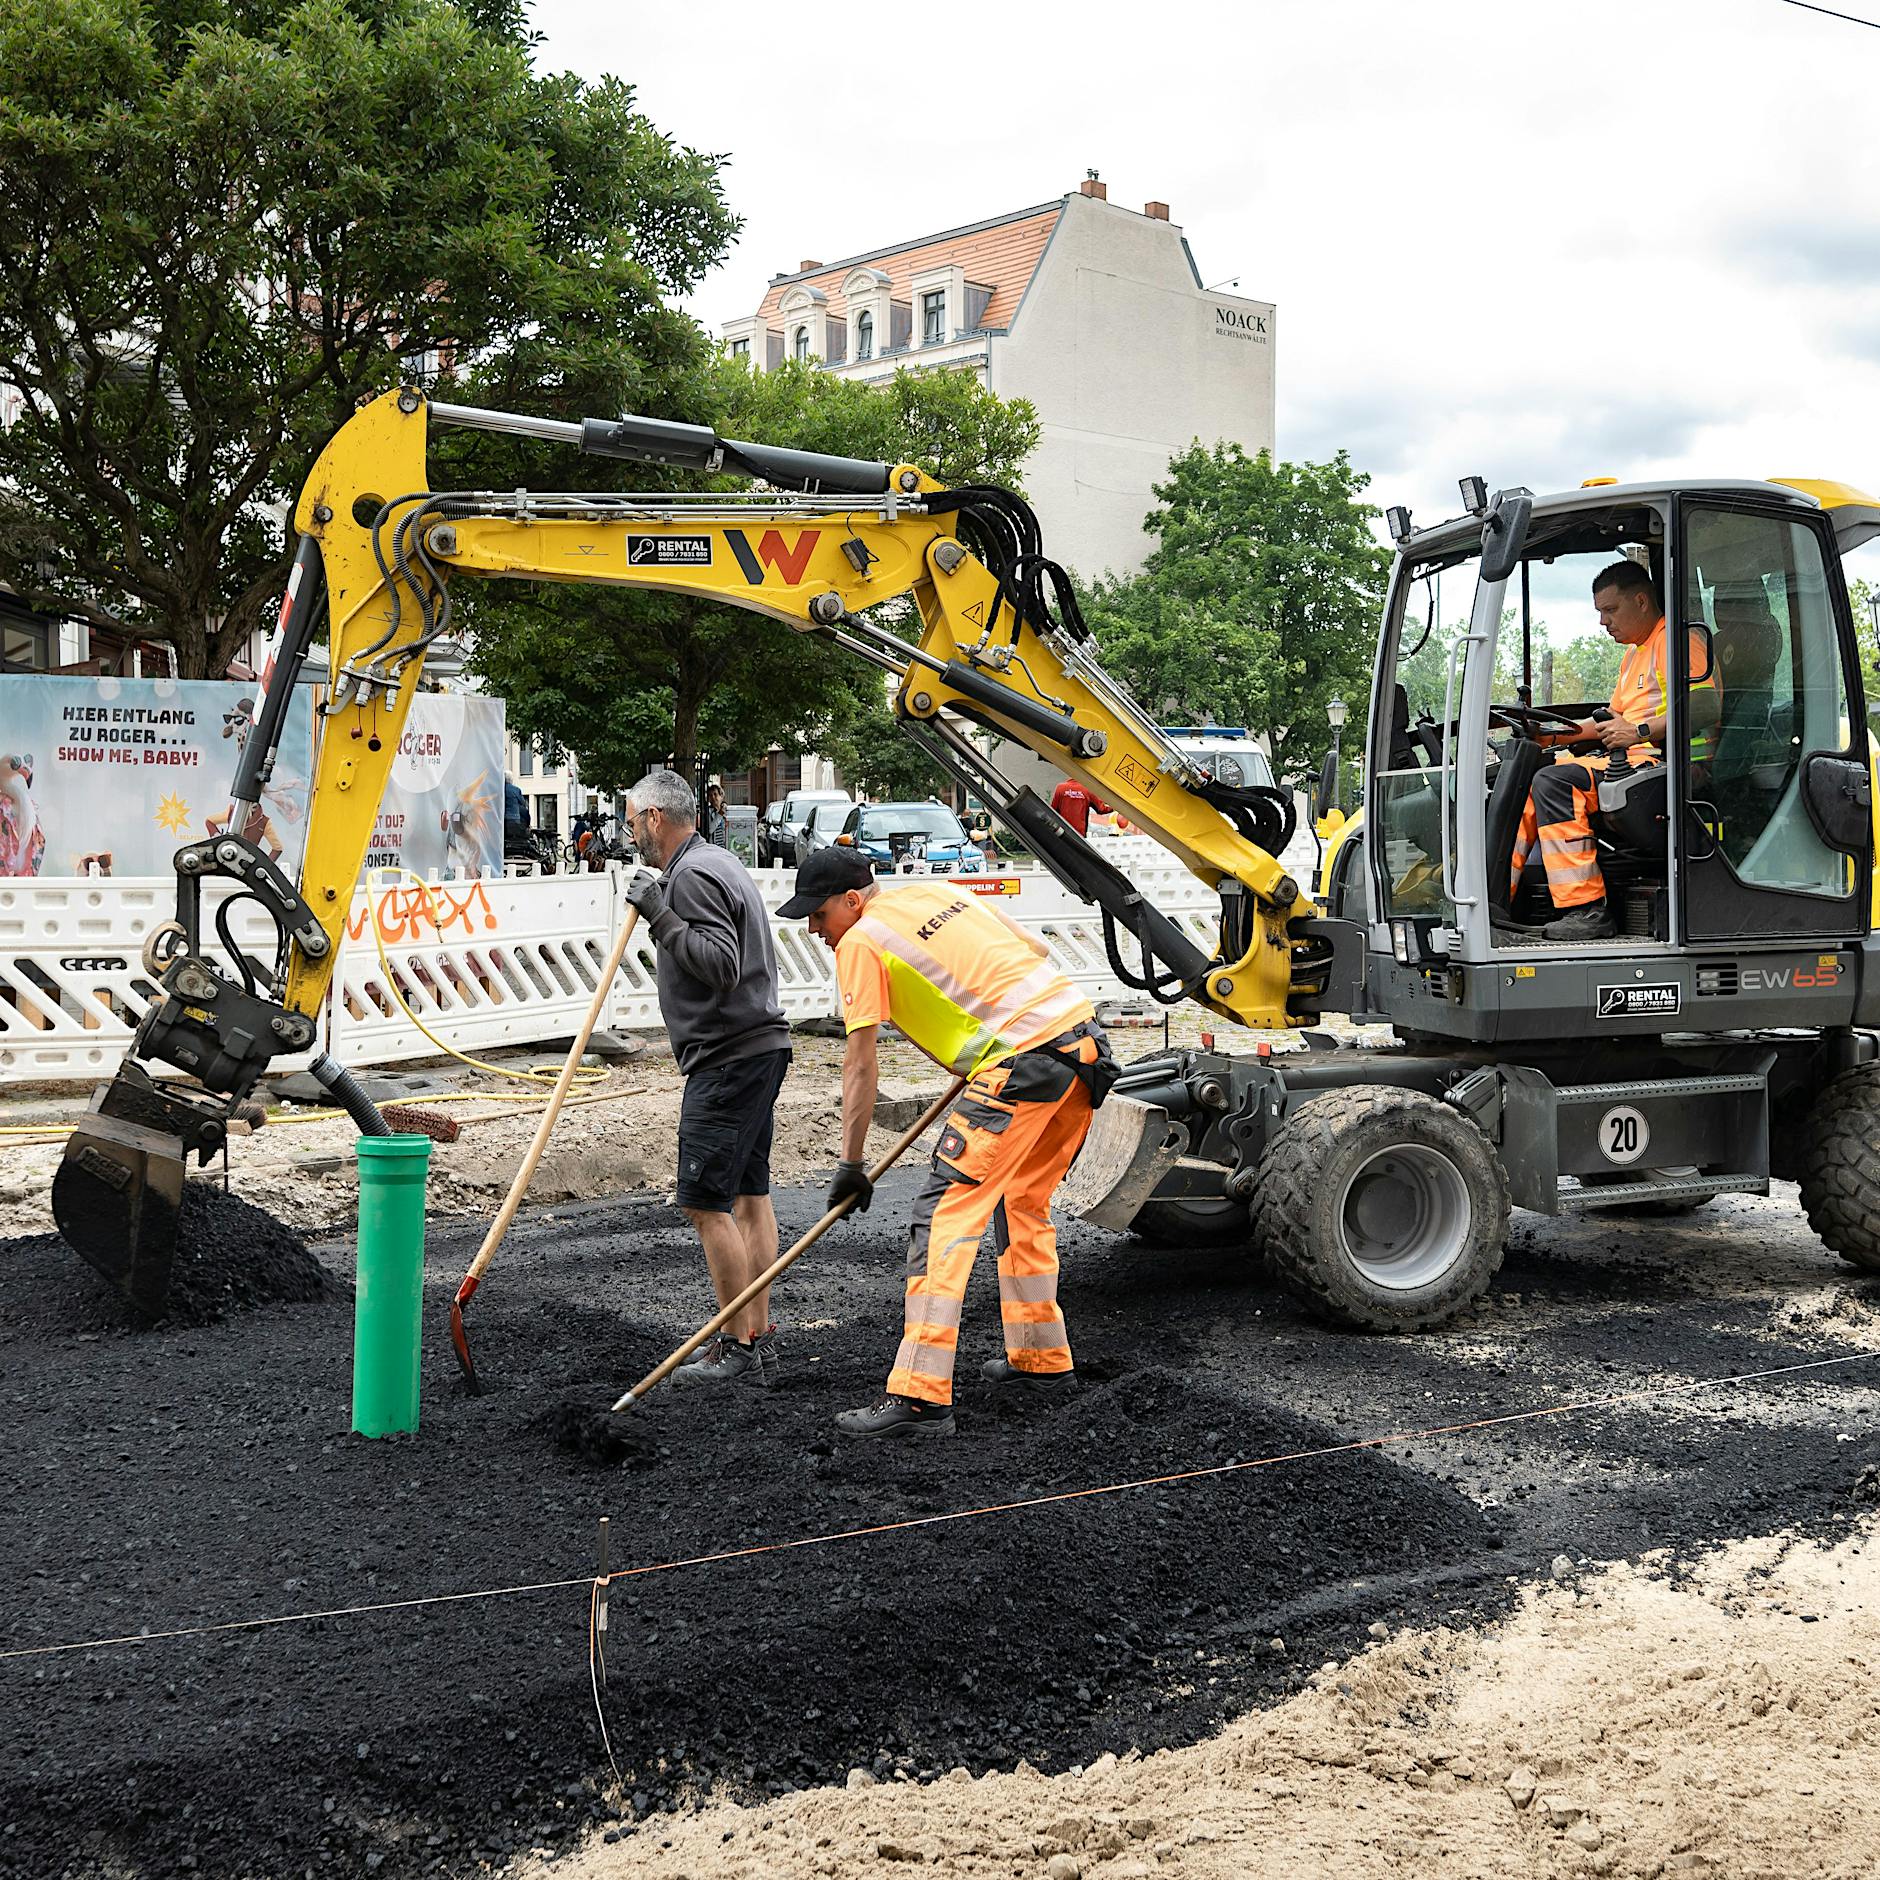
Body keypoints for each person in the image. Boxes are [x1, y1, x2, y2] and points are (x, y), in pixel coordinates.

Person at [780, 848, 1116, 1439]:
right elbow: (1032, 954)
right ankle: (1040, 1361)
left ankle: (920, 1397)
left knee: (941, 1218)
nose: (814, 930)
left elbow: (861, 1063)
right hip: (1082, 1047)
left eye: (818, 914)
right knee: (1022, 1203)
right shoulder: (936, 893)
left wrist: (852, 1162)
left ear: (853, 901)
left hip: (1023, 1066)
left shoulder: (861, 941)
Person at [623, 769, 793, 1387]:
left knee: (704, 1203)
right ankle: (758, 1334)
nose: (629, 831)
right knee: (749, 1197)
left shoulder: (691, 875)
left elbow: (721, 965)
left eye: (632, 818)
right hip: (755, 1050)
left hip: (727, 1057)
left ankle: (735, 1344)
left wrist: (659, 917)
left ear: (655, 819)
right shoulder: (717, 860)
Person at [1505, 560, 1719, 941]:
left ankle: (1586, 911)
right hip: (1640, 760)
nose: (1603, 622)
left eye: (1610, 610)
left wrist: (1638, 731)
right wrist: (1552, 738)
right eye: (1599, 612)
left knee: (1557, 783)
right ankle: (1499, 899)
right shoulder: (1636, 653)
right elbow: (1610, 721)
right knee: (1531, 783)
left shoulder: (1677, 641)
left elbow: (1704, 706)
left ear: (1640, 600)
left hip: (1676, 766)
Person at [705, 782, 730, 848]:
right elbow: (710, 830)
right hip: (714, 848)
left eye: (715, 794)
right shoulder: (708, 812)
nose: (713, 797)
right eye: (710, 795)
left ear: (721, 796)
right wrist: (719, 814)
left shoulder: (727, 811)